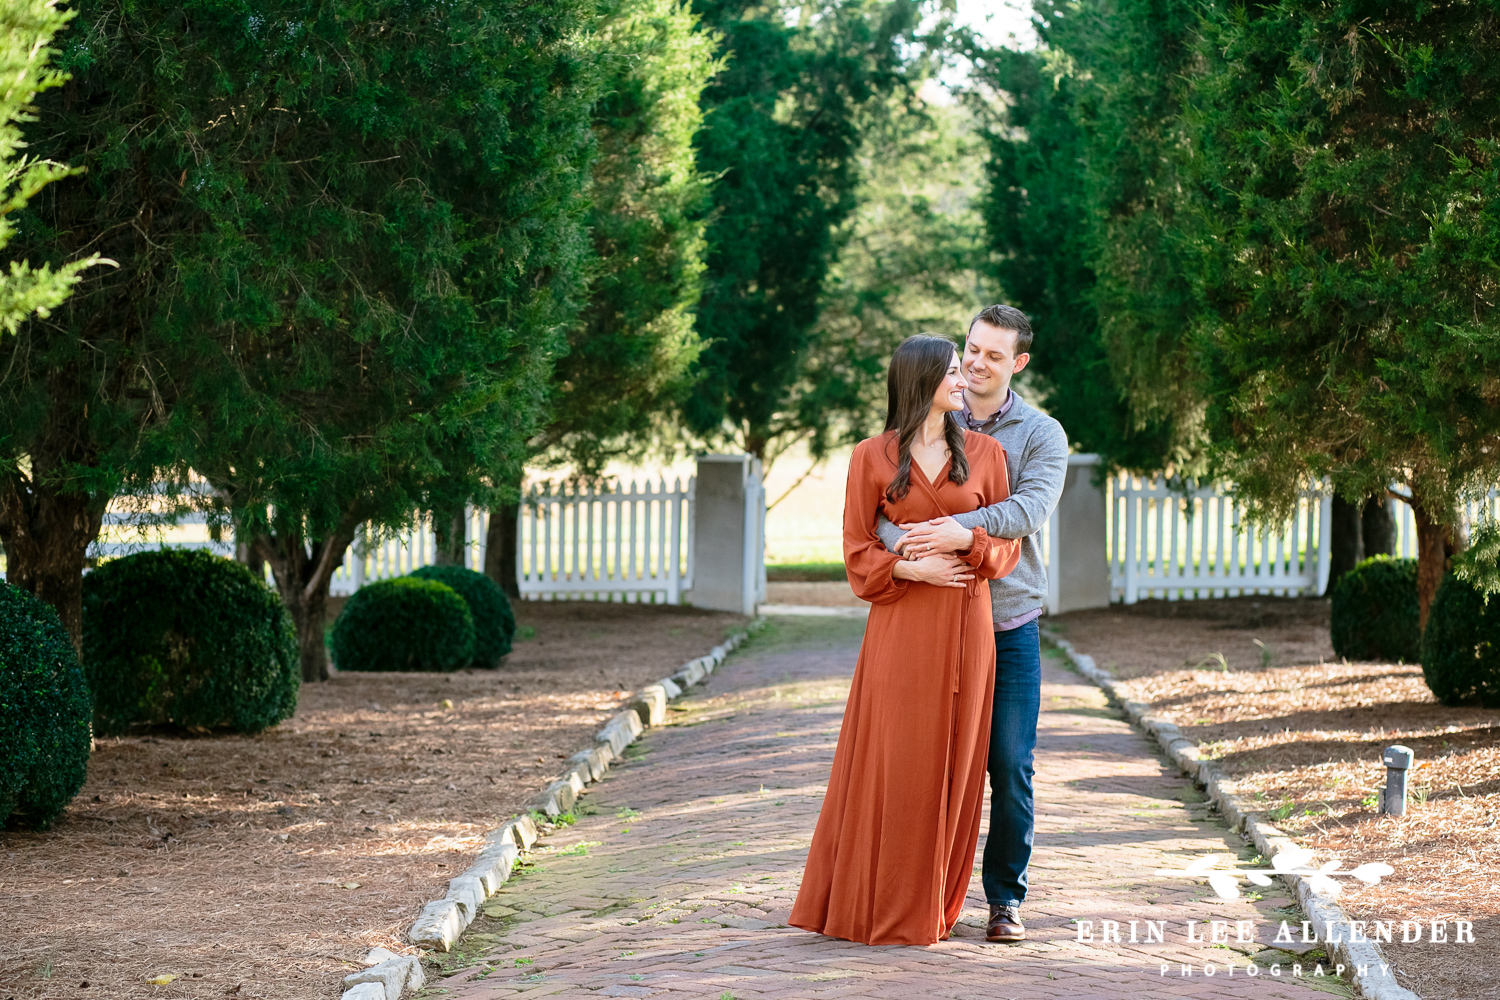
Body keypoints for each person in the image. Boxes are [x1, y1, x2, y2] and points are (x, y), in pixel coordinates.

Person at [788, 335, 1022, 946]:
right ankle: (881, 901)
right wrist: (908, 568)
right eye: (951, 371)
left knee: (957, 762)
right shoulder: (870, 456)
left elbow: (1006, 550)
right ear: (919, 382)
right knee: (898, 758)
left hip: (968, 628)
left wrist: (961, 541)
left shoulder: (988, 454)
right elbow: (854, 545)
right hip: (900, 624)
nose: (962, 378)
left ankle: (933, 906)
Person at [876, 304, 1068, 944]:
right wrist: (906, 550)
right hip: (932, 623)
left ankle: (1004, 899)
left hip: (1008, 626)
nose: (978, 363)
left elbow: (1030, 508)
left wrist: (965, 530)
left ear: (1018, 363)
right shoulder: (934, 410)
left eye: (993, 354)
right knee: (926, 764)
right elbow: (880, 492)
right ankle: (919, 896)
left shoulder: (1041, 434)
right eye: (972, 349)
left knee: (1008, 765)